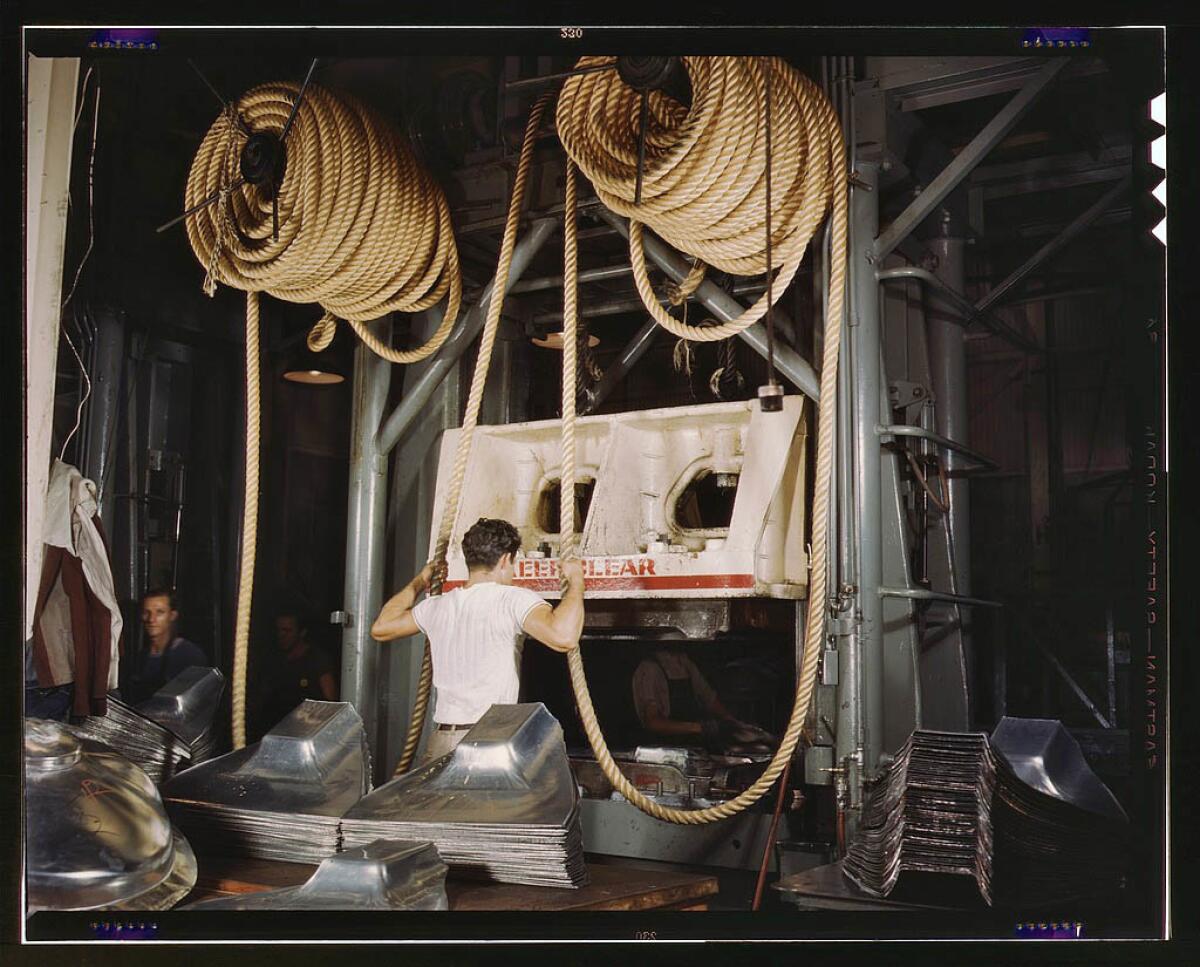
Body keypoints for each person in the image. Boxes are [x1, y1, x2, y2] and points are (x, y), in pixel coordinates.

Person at [371, 518, 585, 764]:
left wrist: (421, 579)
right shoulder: (512, 599)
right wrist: (576, 582)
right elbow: (564, 637)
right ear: (505, 559)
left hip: (443, 740)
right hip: (487, 740)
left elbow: (381, 627)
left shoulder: (437, 606)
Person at [631, 645, 766, 750]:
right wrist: (701, 727)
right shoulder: (650, 668)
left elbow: (708, 697)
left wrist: (733, 722)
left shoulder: (684, 662)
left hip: (690, 748)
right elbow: (653, 723)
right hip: (660, 751)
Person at [256, 608, 338, 732]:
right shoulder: (274, 659)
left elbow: (330, 703)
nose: (281, 635)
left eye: (287, 630)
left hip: (308, 729)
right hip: (277, 728)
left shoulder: (317, 659)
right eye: (278, 630)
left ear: (302, 632)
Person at [125, 588, 208, 705]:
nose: (151, 619)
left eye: (159, 612)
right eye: (146, 612)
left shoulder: (190, 655)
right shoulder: (138, 658)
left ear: (172, 615)